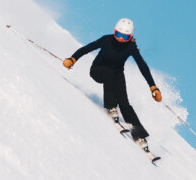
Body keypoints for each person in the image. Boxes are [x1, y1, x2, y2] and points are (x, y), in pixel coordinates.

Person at [63, 18, 162, 149]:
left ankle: (139, 136)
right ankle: (111, 107)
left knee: (124, 102)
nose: (120, 39)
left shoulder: (131, 47)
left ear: (130, 37)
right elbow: (88, 48)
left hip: (117, 74)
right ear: (114, 32)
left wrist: (153, 86)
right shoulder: (106, 40)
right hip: (98, 70)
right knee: (109, 73)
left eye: (125, 37)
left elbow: (142, 66)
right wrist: (73, 58)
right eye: (118, 35)